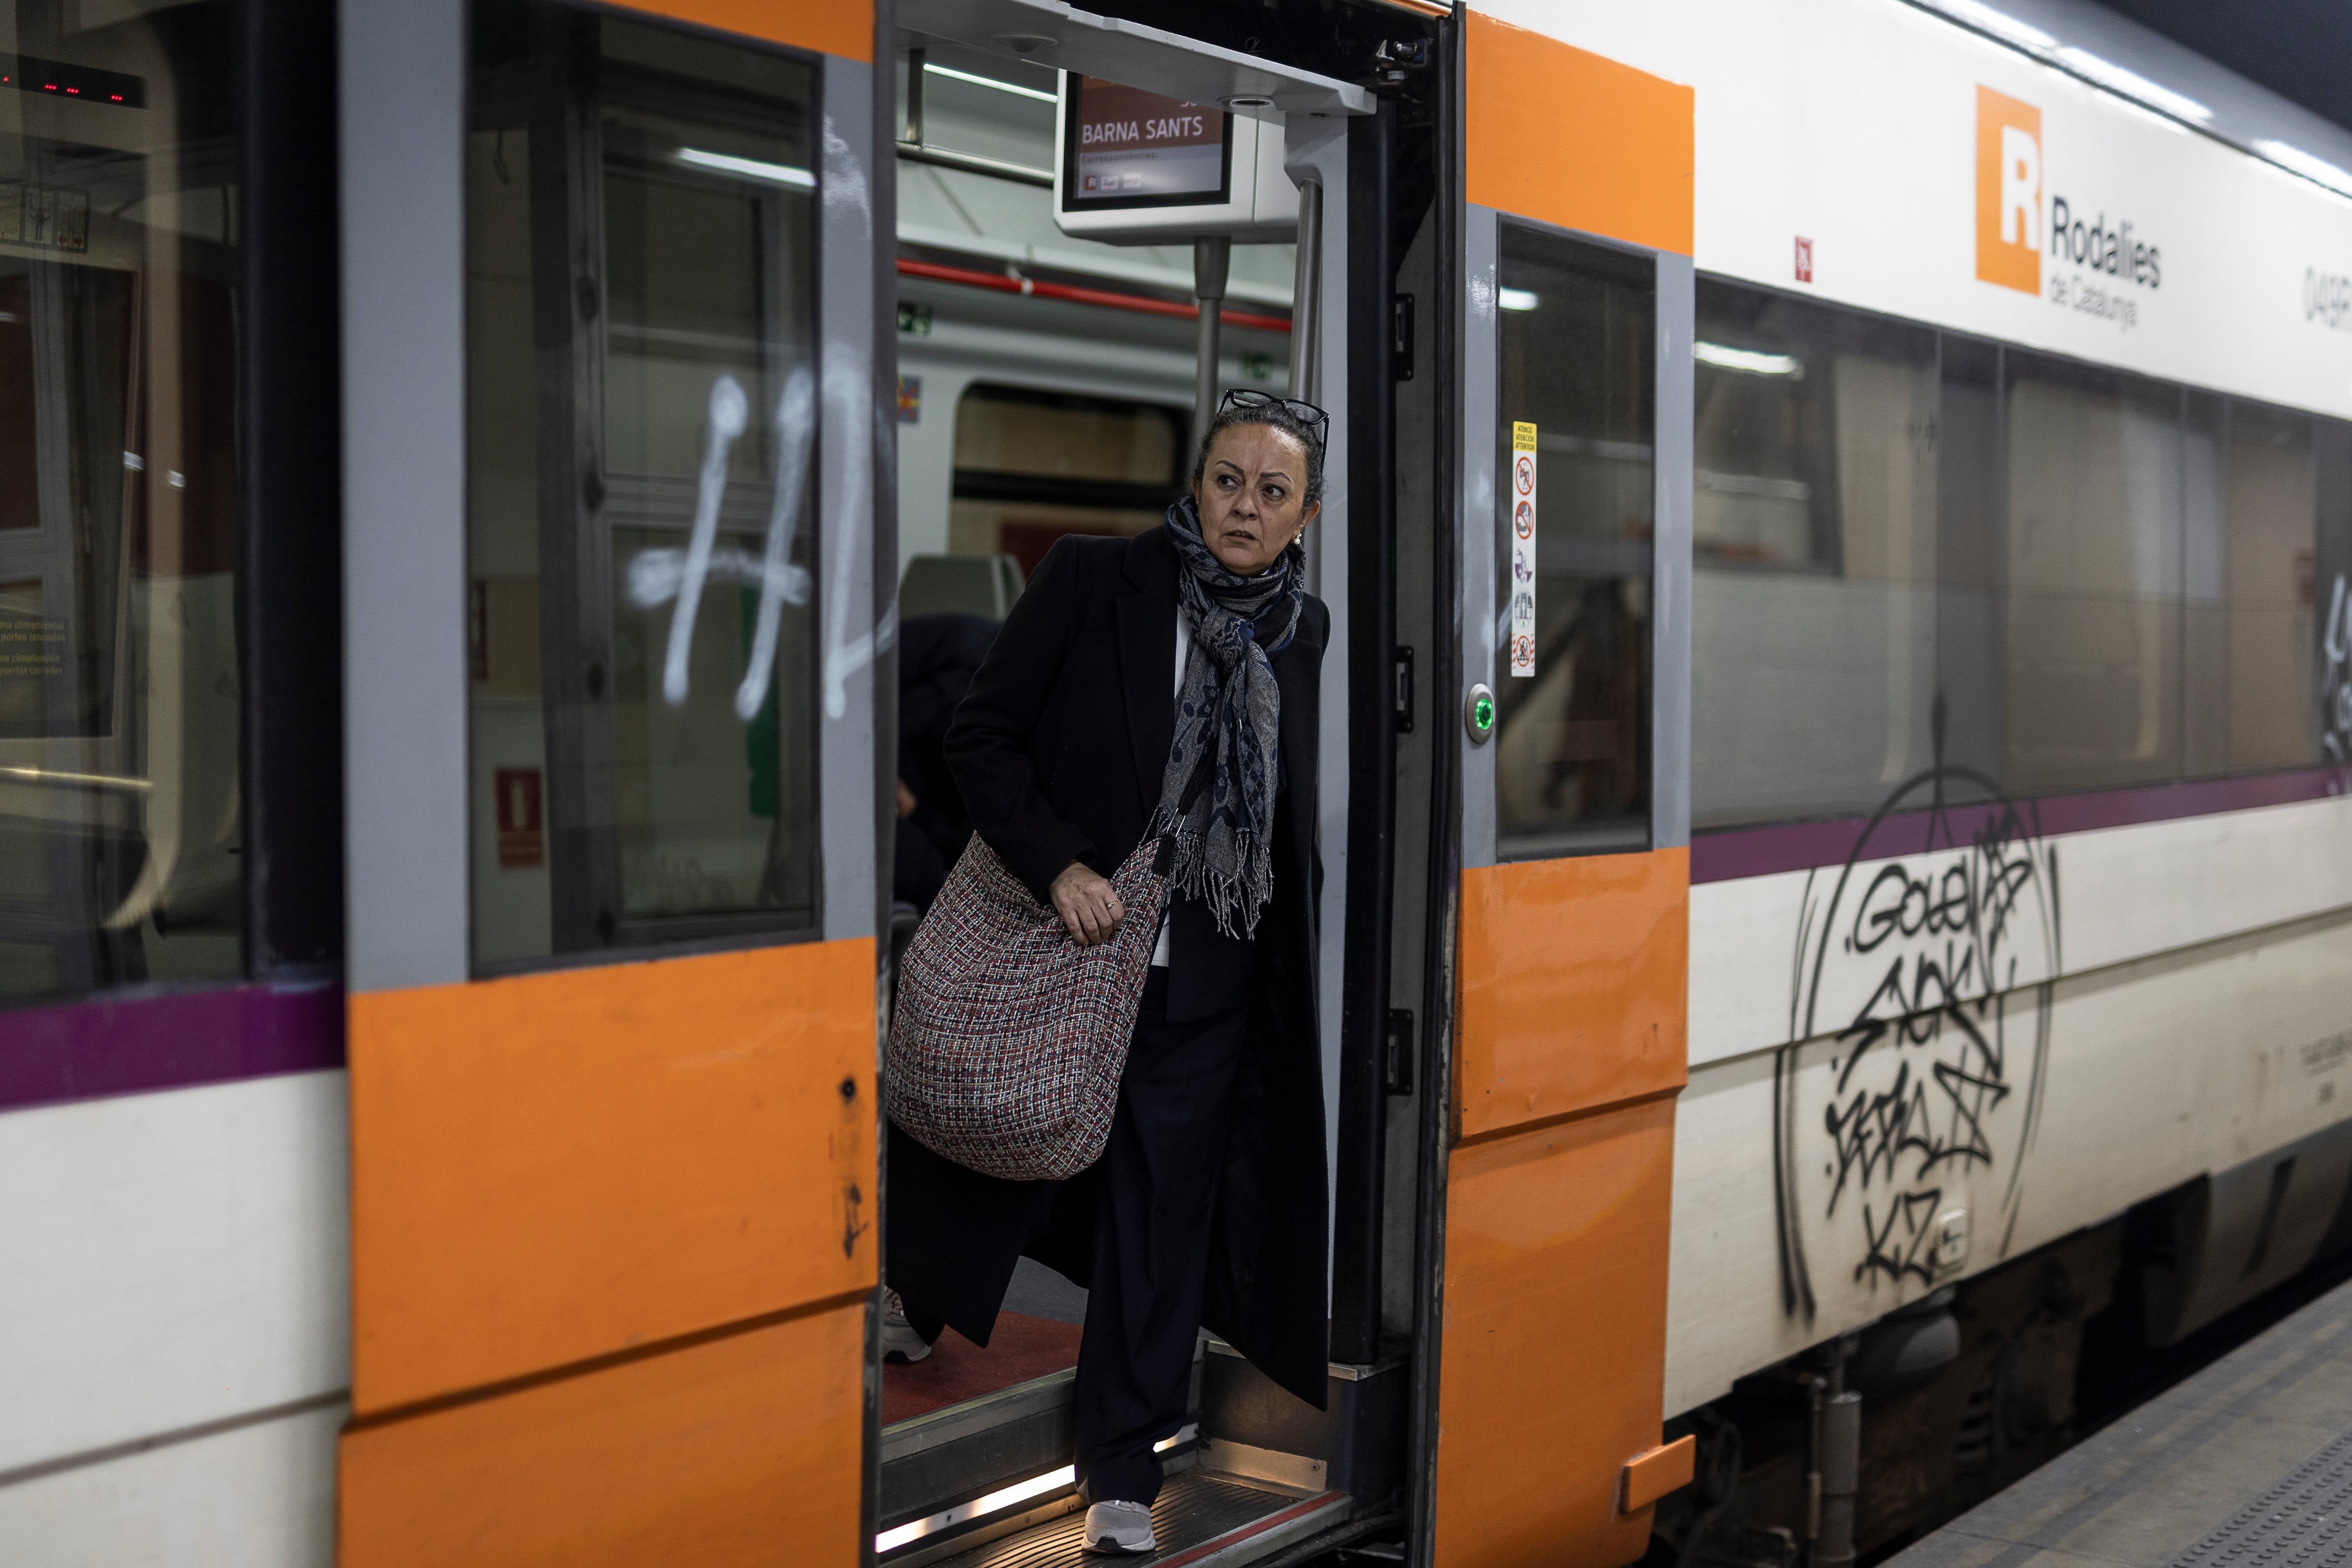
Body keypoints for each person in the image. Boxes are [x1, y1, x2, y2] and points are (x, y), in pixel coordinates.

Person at [884, 389, 1333, 1557]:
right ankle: (919, 1293)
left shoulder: (1303, 630)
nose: (1244, 506)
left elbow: (1291, 815)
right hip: (1065, 941)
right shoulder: (1095, 581)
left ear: (1306, 515)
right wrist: (1058, 866)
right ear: (1197, 483)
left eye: (1271, 492)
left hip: (1205, 978)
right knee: (998, 1130)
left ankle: (1121, 1471)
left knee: (1157, 1223)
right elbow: (978, 738)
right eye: (1228, 479)